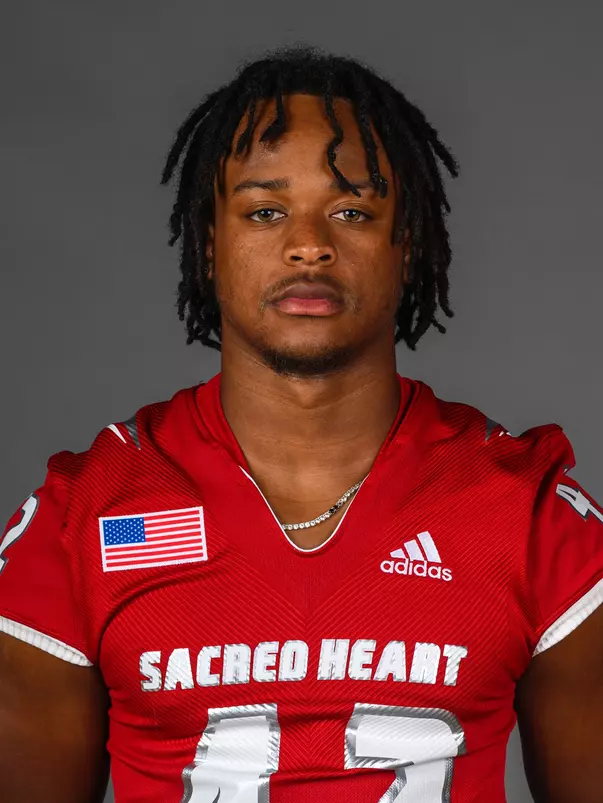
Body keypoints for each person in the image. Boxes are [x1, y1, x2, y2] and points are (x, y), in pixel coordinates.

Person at [0, 45, 601, 803]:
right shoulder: (81, 517)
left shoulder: (531, 514)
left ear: (406, 245)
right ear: (210, 244)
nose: (309, 243)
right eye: (265, 210)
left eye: (352, 211)